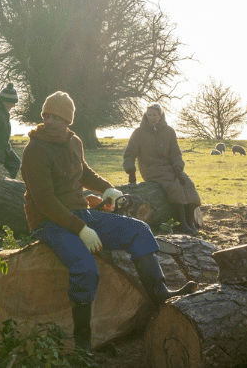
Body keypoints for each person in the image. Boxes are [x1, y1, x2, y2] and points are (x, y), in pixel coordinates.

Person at [21, 91, 196, 353]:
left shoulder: (74, 141)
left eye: (56, 116)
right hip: (49, 222)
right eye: (46, 115)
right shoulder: (35, 150)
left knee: (139, 230)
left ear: (68, 120)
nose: (50, 121)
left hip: (81, 214)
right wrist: (81, 230)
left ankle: (159, 294)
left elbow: (84, 171)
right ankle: (83, 343)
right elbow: (45, 201)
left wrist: (107, 189)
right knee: (86, 269)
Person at [123, 103, 203, 235]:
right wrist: (131, 170)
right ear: (146, 116)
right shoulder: (139, 133)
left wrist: (178, 167)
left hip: (170, 168)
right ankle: (183, 224)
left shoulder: (169, 131)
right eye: (149, 115)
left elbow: (176, 153)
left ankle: (190, 223)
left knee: (187, 183)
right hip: (151, 169)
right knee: (175, 186)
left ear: (160, 116)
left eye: (155, 115)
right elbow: (129, 153)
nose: (152, 118)